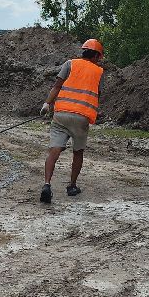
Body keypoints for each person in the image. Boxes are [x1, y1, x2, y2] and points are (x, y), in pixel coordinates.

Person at [38, 38, 104, 204]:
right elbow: (97, 93)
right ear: (96, 56)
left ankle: (47, 184)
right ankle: (72, 186)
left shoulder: (70, 64)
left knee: (55, 149)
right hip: (81, 117)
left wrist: (47, 104)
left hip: (61, 114)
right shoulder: (98, 71)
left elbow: (57, 86)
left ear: (83, 51)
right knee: (78, 152)